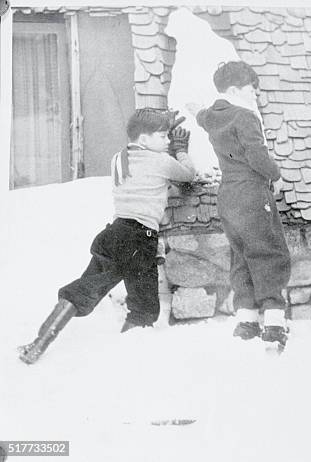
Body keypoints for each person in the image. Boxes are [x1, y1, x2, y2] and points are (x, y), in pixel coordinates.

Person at [19, 108, 196, 364]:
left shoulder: (118, 159)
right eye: (162, 136)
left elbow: (141, 167)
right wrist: (179, 149)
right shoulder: (161, 162)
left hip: (113, 234)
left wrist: (156, 128)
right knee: (145, 308)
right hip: (139, 238)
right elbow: (188, 176)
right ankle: (127, 364)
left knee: (83, 290)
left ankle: (39, 343)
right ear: (145, 140)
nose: (167, 140)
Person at [196, 61, 291, 350]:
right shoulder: (246, 116)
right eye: (252, 88)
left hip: (228, 195)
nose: (256, 94)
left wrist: (196, 108)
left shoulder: (211, 117)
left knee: (241, 255)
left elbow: (200, 115)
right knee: (269, 253)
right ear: (236, 90)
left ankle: (246, 320)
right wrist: (277, 176)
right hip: (251, 192)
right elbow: (257, 155)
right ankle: (274, 324)